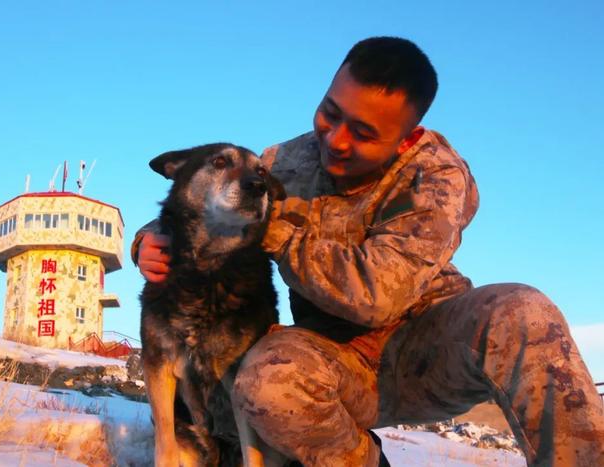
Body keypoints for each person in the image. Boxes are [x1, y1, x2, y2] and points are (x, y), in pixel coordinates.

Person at [134, 37, 604, 466]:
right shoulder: (282, 162)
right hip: (333, 358)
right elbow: (209, 199)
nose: (336, 139)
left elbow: (377, 296)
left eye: (362, 132)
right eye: (329, 112)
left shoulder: (437, 176)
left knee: (523, 311)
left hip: (423, 352)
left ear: (408, 138)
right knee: (267, 378)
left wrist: (270, 228)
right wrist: (151, 238)